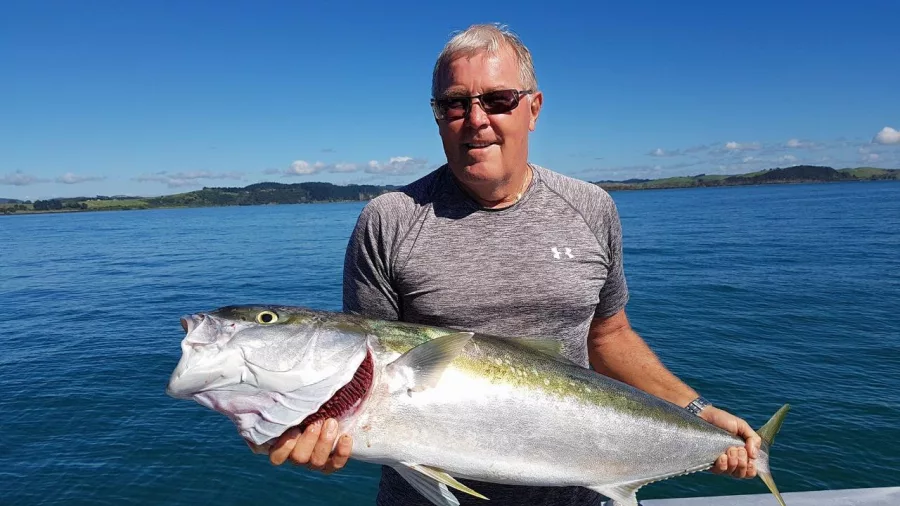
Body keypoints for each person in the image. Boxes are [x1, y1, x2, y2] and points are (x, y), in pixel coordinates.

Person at [269, 23, 761, 505]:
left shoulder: (590, 207)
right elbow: (365, 368)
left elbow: (608, 335)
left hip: (581, 491)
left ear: (533, 108)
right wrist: (313, 426)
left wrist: (697, 410)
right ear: (437, 116)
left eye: (498, 100)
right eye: (454, 103)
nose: (475, 119)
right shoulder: (390, 220)